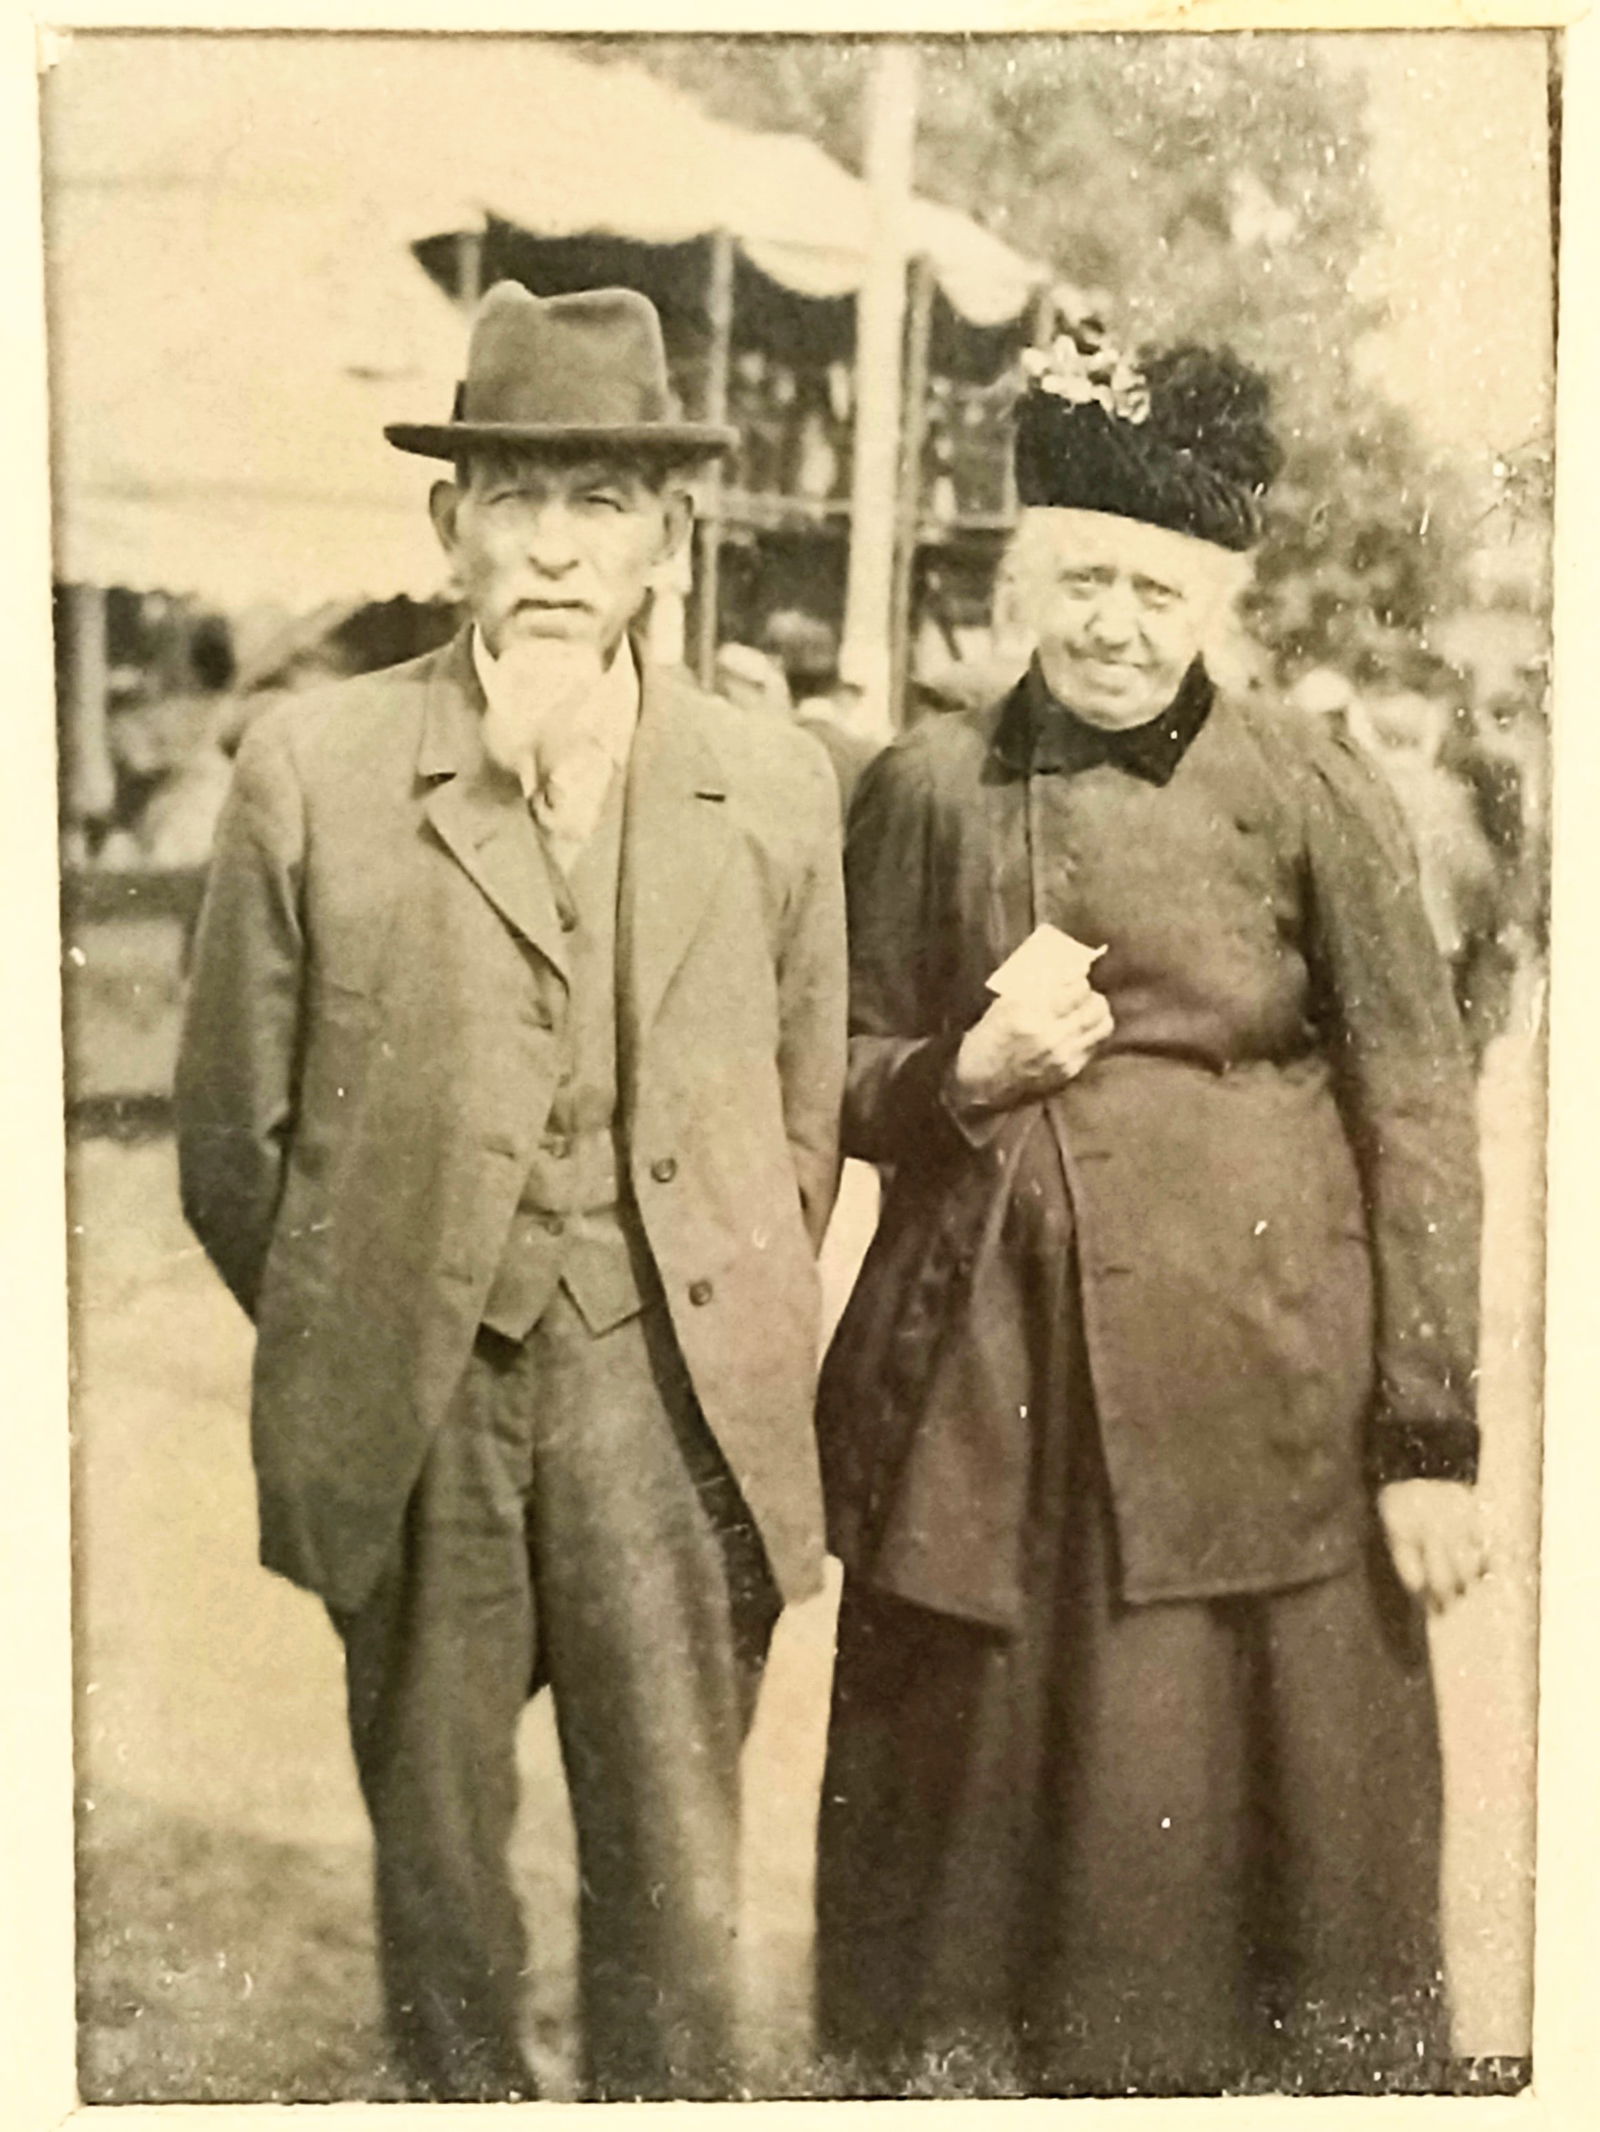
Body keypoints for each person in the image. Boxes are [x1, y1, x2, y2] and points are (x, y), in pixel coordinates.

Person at [174, 282, 847, 2103]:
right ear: (446, 527)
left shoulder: (776, 788)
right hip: (417, 1420)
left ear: (668, 542)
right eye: (517, 499)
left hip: (670, 1414)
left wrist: (679, 1318)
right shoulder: (310, 769)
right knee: (445, 1882)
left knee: (674, 1884)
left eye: (603, 501)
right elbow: (235, 1143)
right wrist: (388, 1307)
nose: (556, 549)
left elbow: (793, 1139)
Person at [813, 322, 1486, 2097]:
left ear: (1218, 603)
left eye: (1157, 591)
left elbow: (1417, 1103)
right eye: (1083, 580)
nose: (1115, 624)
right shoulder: (926, 785)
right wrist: (961, 1071)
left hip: (1260, 1392)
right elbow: (844, 1064)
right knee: (972, 1888)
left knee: (1231, 1851)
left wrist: (1430, 1435)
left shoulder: (1309, 785)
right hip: (988, 1391)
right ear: (1027, 579)